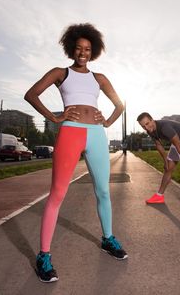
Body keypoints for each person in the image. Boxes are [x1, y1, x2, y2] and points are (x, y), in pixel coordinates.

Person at [24, 23, 128, 283]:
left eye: (88, 49)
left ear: (93, 52)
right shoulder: (60, 73)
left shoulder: (99, 78)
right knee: (58, 193)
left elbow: (119, 104)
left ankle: (108, 239)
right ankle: (44, 256)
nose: (83, 52)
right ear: (72, 49)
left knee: (103, 190)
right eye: (79, 48)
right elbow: (31, 94)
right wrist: (54, 116)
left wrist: (108, 121)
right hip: (70, 132)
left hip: (95, 134)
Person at [137, 112, 180, 219]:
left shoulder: (164, 128)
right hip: (177, 144)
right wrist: (165, 161)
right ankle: (159, 196)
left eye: (147, 124)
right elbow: (158, 145)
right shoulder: (151, 130)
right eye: (143, 126)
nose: (146, 128)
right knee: (168, 169)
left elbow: (179, 146)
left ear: (152, 120)